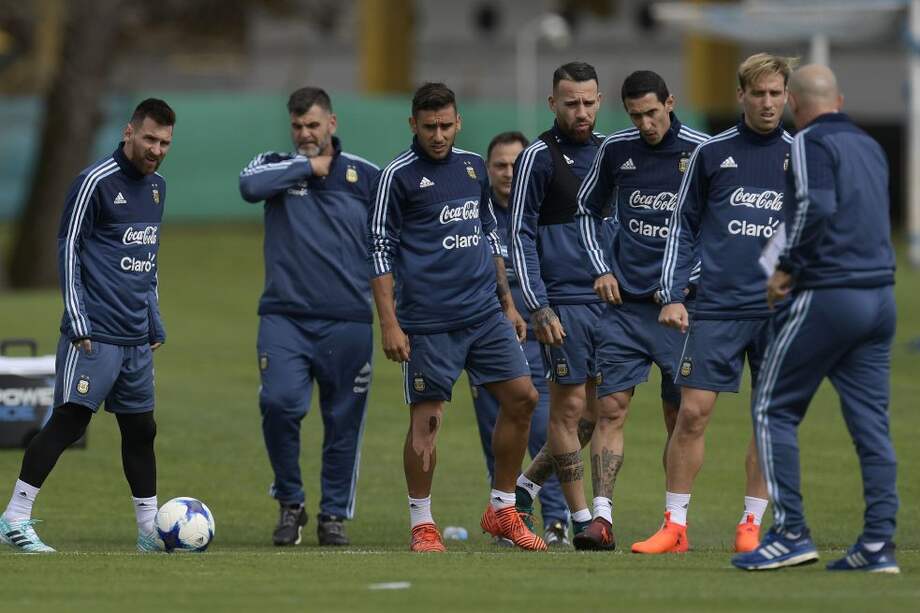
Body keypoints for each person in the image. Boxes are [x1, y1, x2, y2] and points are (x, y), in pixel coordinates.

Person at [733, 65, 900, 573]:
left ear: (794, 105)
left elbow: (817, 206)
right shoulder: (869, 145)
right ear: (840, 99)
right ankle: (877, 544)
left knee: (771, 409)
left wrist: (787, 268)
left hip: (831, 294)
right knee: (871, 425)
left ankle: (790, 534)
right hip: (881, 297)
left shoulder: (805, 143)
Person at [368, 82, 545, 553]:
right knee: (427, 422)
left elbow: (489, 233)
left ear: (458, 121)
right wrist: (389, 322)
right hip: (428, 322)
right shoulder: (397, 177)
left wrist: (507, 304)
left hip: (484, 313)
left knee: (523, 398)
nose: (439, 134)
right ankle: (422, 524)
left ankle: (503, 508)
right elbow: (379, 250)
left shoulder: (471, 167)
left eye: (446, 125)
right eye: (429, 127)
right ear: (413, 125)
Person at [632, 53, 796, 554]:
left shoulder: (803, 155)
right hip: (717, 307)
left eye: (776, 93)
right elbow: (682, 225)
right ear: (741, 96)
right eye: (758, 94)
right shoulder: (711, 154)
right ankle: (675, 527)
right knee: (692, 414)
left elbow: (818, 229)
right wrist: (672, 293)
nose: (767, 103)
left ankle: (751, 525)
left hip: (778, 313)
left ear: (787, 96)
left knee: (771, 418)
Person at [0, 99, 176, 553]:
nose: (156, 149)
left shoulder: (157, 188)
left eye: (165, 142)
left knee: (142, 431)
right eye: (150, 138)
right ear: (128, 132)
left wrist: (154, 319)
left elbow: (148, 263)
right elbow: (68, 248)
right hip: (94, 333)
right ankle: (15, 518)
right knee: (69, 422)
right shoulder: (94, 182)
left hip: (135, 337)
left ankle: (149, 530)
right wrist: (77, 315)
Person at [573, 70, 709, 549]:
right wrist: (600, 267)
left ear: (671, 102)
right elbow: (586, 209)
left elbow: (718, 224)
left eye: (653, 112)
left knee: (681, 417)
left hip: (682, 310)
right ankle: (602, 519)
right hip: (625, 308)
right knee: (610, 409)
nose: (646, 123)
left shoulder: (701, 150)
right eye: (635, 115)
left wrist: (688, 284)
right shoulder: (617, 151)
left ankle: (675, 524)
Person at [239, 87, 379, 547]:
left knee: (343, 423)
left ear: (332, 124)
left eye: (313, 126)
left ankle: (333, 514)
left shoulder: (366, 176)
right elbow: (248, 187)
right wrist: (306, 166)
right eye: (298, 126)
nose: (304, 134)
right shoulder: (276, 165)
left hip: (349, 320)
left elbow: (390, 244)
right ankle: (291, 504)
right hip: (285, 319)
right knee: (279, 403)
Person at [503, 61, 608, 549]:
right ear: (553, 104)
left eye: (588, 102)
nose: (581, 111)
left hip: (609, 304)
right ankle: (585, 518)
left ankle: (523, 489)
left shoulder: (610, 152)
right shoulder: (537, 158)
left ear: (599, 100)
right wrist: (537, 304)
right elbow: (519, 232)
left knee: (593, 418)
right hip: (563, 302)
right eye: (571, 103)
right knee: (567, 412)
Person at [469, 131, 570, 547]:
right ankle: (506, 516)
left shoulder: (541, 209)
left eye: (515, 164)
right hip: (486, 332)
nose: (508, 172)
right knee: (495, 431)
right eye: (499, 165)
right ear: (488, 170)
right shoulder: (472, 211)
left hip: (535, 332)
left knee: (547, 428)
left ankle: (558, 519)